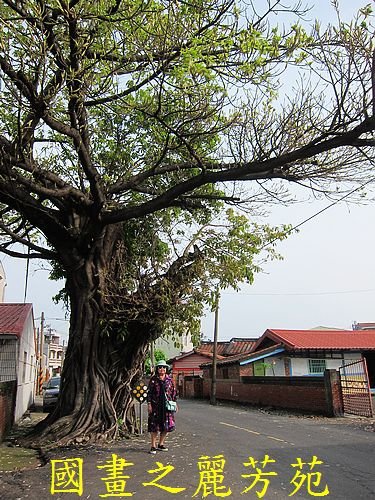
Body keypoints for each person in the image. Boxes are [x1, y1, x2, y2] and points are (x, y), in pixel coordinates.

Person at [147, 359, 178, 454]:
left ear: (166, 369)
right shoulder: (153, 380)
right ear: (157, 369)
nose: (162, 369)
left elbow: (174, 393)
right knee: (154, 426)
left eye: (164, 367)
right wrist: (149, 404)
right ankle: (153, 445)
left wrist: (175, 404)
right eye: (160, 367)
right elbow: (149, 393)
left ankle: (161, 443)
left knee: (166, 426)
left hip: (166, 407)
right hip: (155, 406)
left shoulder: (170, 380)